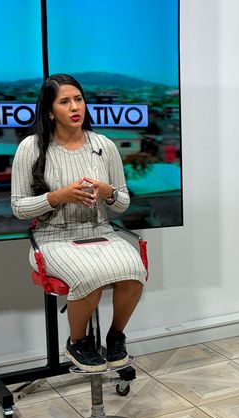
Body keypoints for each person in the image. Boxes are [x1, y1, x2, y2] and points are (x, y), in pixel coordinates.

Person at [11, 74, 147, 373]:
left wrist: (109, 193)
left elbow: (123, 204)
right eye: (65, 102)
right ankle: (78, 341)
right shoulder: (31, 148)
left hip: (101, 232)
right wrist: (57, 197)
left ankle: (115, 336)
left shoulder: (104, 145)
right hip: (53, 237)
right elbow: (19, 208)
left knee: (135, 271)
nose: (75, 107)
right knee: (90, 276)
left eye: (79, 99)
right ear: (50, 111)